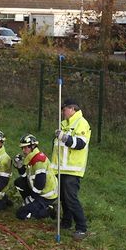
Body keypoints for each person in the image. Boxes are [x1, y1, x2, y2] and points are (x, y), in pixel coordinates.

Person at [53, 99, 91, 240]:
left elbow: (80, 144)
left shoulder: (82, 123)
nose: (62, 112)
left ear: (72, 109)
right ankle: (66, 222)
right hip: (61, 168)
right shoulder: (63, 124)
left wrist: (64, 137)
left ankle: (81, 227)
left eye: (64, 109)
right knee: (63, 197)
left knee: (71, 199)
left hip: (73, 169)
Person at [13, 134, 58, 221]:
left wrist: (31, 198)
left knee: (21, 214)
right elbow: (24, 177)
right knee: (19, 182)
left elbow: (40, 183)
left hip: (46, 195)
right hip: (39, 191)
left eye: (26, 148)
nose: (23, 150)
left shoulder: (38, 161)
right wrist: (19, 165)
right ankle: (32, 205)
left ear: (33, 146)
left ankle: (49, 210)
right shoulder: (32, 157)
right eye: (22, 148)